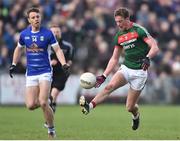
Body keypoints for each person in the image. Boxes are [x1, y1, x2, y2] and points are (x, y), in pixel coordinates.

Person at [79, 7, 159, 130]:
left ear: (127, 19)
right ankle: (89, 107)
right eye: (116, 21)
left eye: (120, 21)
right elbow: (114, 58)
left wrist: (148, 57)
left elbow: (154, 47)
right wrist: (104, 75)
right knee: (108, 87)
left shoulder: (139, 30)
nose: (118, 24)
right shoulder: (119, 36)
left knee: (129, 107)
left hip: (140, 72)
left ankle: (136, 115)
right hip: (126, 67)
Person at [9, 7, 69, 139]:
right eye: (33, 17)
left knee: (42, 102)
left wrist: (64, 63)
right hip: (31, 73)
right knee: (30, 105)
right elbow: (18, 49)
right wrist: (13, 64)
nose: (36, 19)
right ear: (29, 20)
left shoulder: (48, 34)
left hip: (45, 72)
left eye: (38, 16)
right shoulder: (24, 34)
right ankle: (47, 101)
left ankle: (51, 129)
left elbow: (58, 50)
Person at [48, 25, 74, 113]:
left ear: (60, 33)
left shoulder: (68, 46)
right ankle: (53, 105)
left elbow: (70, 60)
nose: (55, 34)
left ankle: (50, 115)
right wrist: (50, 63)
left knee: (53, 93)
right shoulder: (45, 46)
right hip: (48, 73)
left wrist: (66, 64)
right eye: (53, 32)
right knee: (47, 97)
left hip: (61, 73)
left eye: (57, 32)